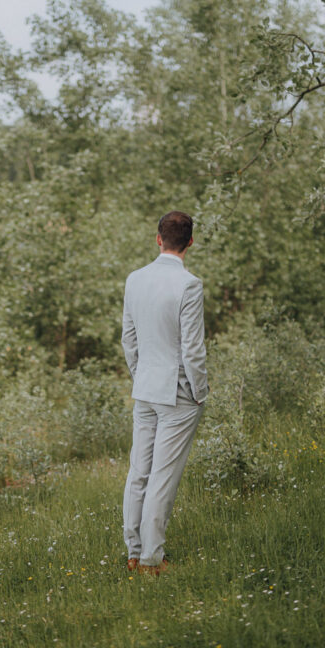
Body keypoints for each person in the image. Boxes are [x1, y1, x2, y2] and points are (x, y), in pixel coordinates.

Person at [120, 210, 208, 576]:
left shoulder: (134, 279)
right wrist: (200, 392)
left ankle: (133, 552)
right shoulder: (189, 285)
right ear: (190, 242)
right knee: (163, 476)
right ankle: (152, 560)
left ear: (158, 239)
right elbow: (193, 349)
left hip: (145, 390)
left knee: (139, 471)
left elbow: (129, 339)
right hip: (177, 394)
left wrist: (141, 376)